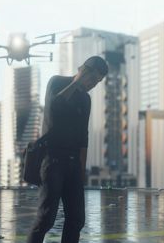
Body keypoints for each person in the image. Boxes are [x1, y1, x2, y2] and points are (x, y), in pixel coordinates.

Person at [27, 56, 107, 243]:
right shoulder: (57, 82)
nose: (94, 84)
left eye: (98, 82)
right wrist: (77, 82)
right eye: (92, 78)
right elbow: (55, 107)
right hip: (52, 159)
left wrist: (81, 171)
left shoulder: (86, 100)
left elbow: (83, 137)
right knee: (46, 218)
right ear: (83, 70)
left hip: (73, 163)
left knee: (77, 218)